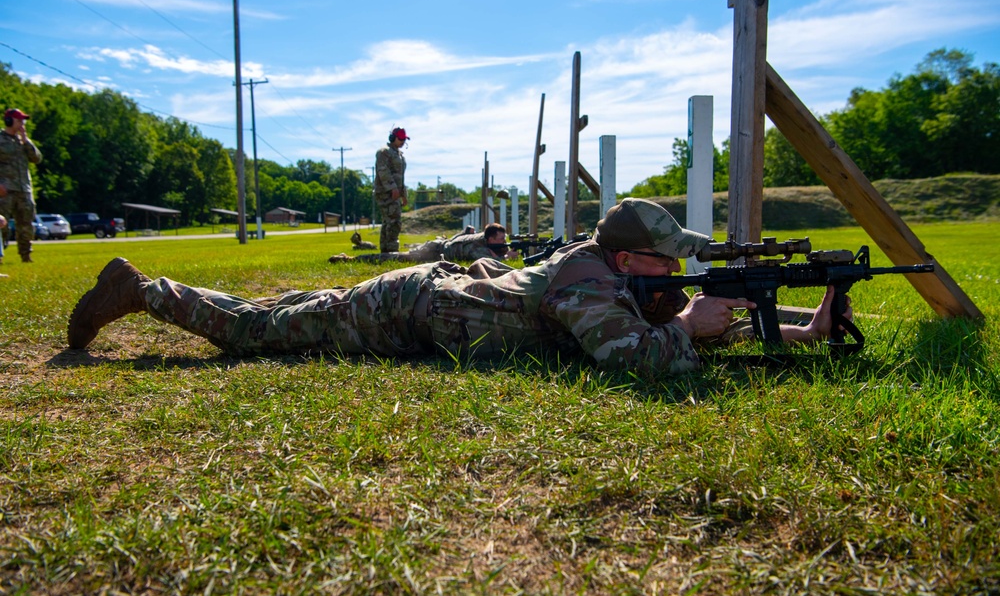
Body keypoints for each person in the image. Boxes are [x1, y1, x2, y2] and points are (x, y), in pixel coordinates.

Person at [67, 198, 848, 377]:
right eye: (667, 261)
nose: (677, 274)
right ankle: (143, 288)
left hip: (432, 295)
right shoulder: (585, 281)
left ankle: (149, 287)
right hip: (409, 311)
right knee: (259, 334)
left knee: (277, 312)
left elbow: (679, 315)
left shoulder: (619, 273)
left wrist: (808, 324)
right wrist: (692, 330)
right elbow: (632, 357)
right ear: (629, 258)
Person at [330, 222, 520, 264]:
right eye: (501, 239)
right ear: (490, 239)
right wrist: (505, 256)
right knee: (395, 258)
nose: (504, 242)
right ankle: (350, 259)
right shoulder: (478, 247)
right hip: (433, 251)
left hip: (438, 247)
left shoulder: (482, 241)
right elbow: (485, 262)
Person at [0, 108, 43, 263]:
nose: (22, 124)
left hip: (24, 189)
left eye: (23, 121)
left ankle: (26, 255)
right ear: (9, 121)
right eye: (19, 120)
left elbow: (36, 158)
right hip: (4, 190)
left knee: (26, 224)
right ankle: (0, 255)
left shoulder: (23, 141)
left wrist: (26, 140)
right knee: (1, 224)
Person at [374, 127, 408, 254]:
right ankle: (392, 249)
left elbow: (401, 178)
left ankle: (385, 251)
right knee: (394, 220)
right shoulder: (384, 152)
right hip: (385, 192)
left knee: (388, 221)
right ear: (393, 138)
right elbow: (383, 171)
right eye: (400, 139)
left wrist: (403, 194)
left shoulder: (400, 156)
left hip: (395, 193)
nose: (403, 141)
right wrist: (392, 188)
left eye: (404, 139)